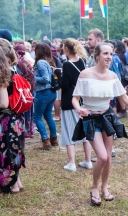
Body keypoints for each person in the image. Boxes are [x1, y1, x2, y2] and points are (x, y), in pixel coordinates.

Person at [72, 42, 128, 206]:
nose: (109, 57)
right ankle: (94, 188)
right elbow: (75, 98)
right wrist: (79, 109)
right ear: (97, 56)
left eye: (111, 54)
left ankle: (105, 187)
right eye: (105, 53)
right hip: (90, 118)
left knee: (108, 156)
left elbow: (123, 97)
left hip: (107, 117)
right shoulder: (85, 74)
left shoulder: (113, 76)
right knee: (103, 156)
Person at [58, 38, 93, 171]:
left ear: (66, 48)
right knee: (84, 132)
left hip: (69, 100)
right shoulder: (82, 61)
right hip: (82, 100)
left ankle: (72, 163)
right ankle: (88, 160)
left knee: (68, 130)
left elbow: (65, 84)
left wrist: (58, 77)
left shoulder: (67, 65)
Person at [0, 38, 25, 193]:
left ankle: (13, 183)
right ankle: (17, 182)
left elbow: (4, 102)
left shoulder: (2, 72)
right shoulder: (15, 68)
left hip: (5, 118)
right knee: (16, 149)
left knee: (8, 151)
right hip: (17, 116)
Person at [33, 43, 59, 150]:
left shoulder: (40, 63)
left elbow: (45, 78)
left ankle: (45, 140)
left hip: (43, 92)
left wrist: (32, 78)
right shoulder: (48, 62)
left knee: (37, 117)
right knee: (48, 115)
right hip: (51, 93)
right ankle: (54, 139)